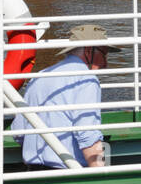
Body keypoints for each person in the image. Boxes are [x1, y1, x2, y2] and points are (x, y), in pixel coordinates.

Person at [11, 24, 117, 169]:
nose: (105, 63)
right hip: (67, 171)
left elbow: (19, 132)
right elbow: (87, 134)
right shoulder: (86, 79)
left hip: (33, 170)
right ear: (88, 50)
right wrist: (101, 178)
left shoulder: (39, 76)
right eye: (103, 54)